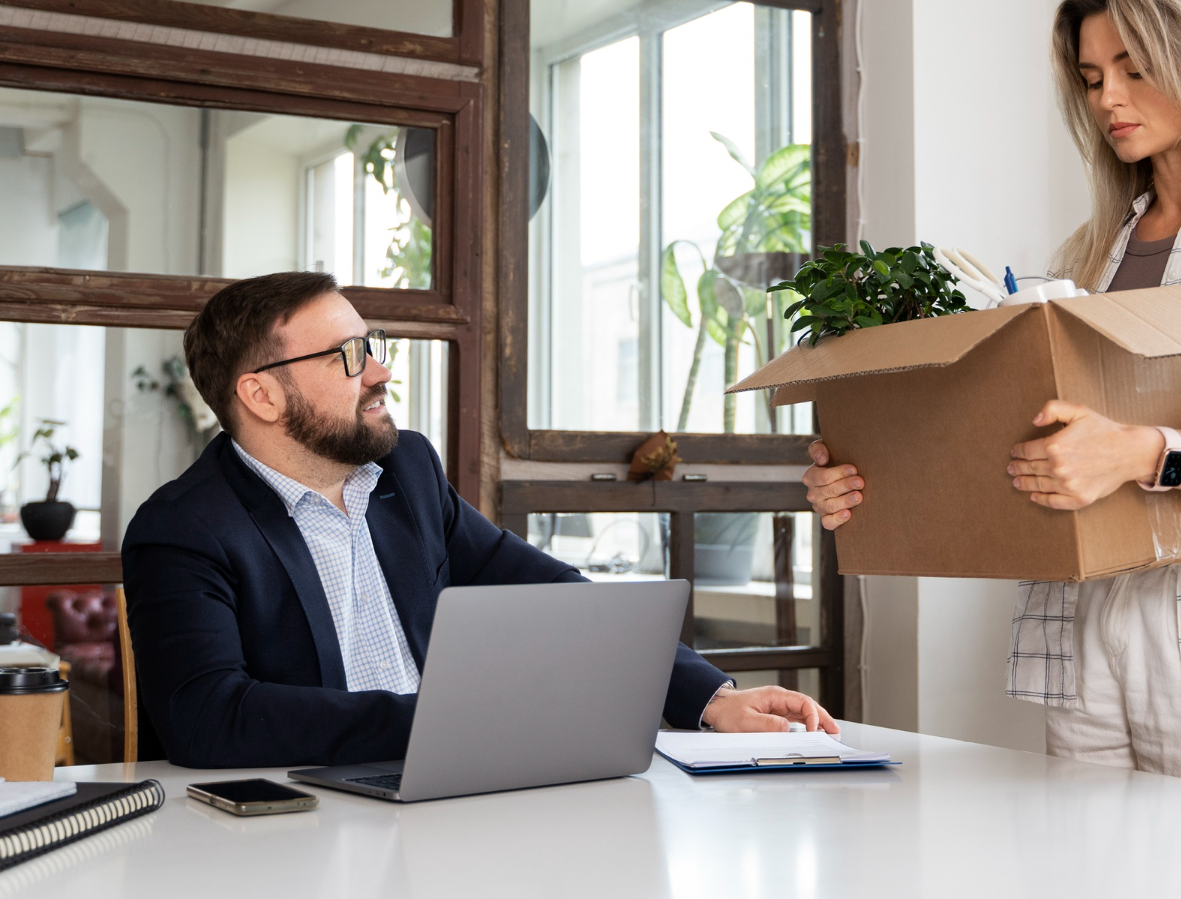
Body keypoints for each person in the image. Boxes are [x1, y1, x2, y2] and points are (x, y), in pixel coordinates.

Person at [803, 0, 1181, 800]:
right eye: (1093, 76)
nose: (1107, 99)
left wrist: (1140, 452)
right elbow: (1024, 439)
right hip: (1083, 631)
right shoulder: (1090, 255)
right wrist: (875, 476)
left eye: (1134, 70)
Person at [124, 271, 836, 768]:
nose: (380, 370)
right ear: (262, 396)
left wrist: (707, 695)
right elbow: (208, 717)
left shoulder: (406, 471)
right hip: (300, 821)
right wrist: (444, 722)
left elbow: (550, 592)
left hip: (454, 786)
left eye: (372, 344)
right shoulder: (184, 529)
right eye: (348, 356)